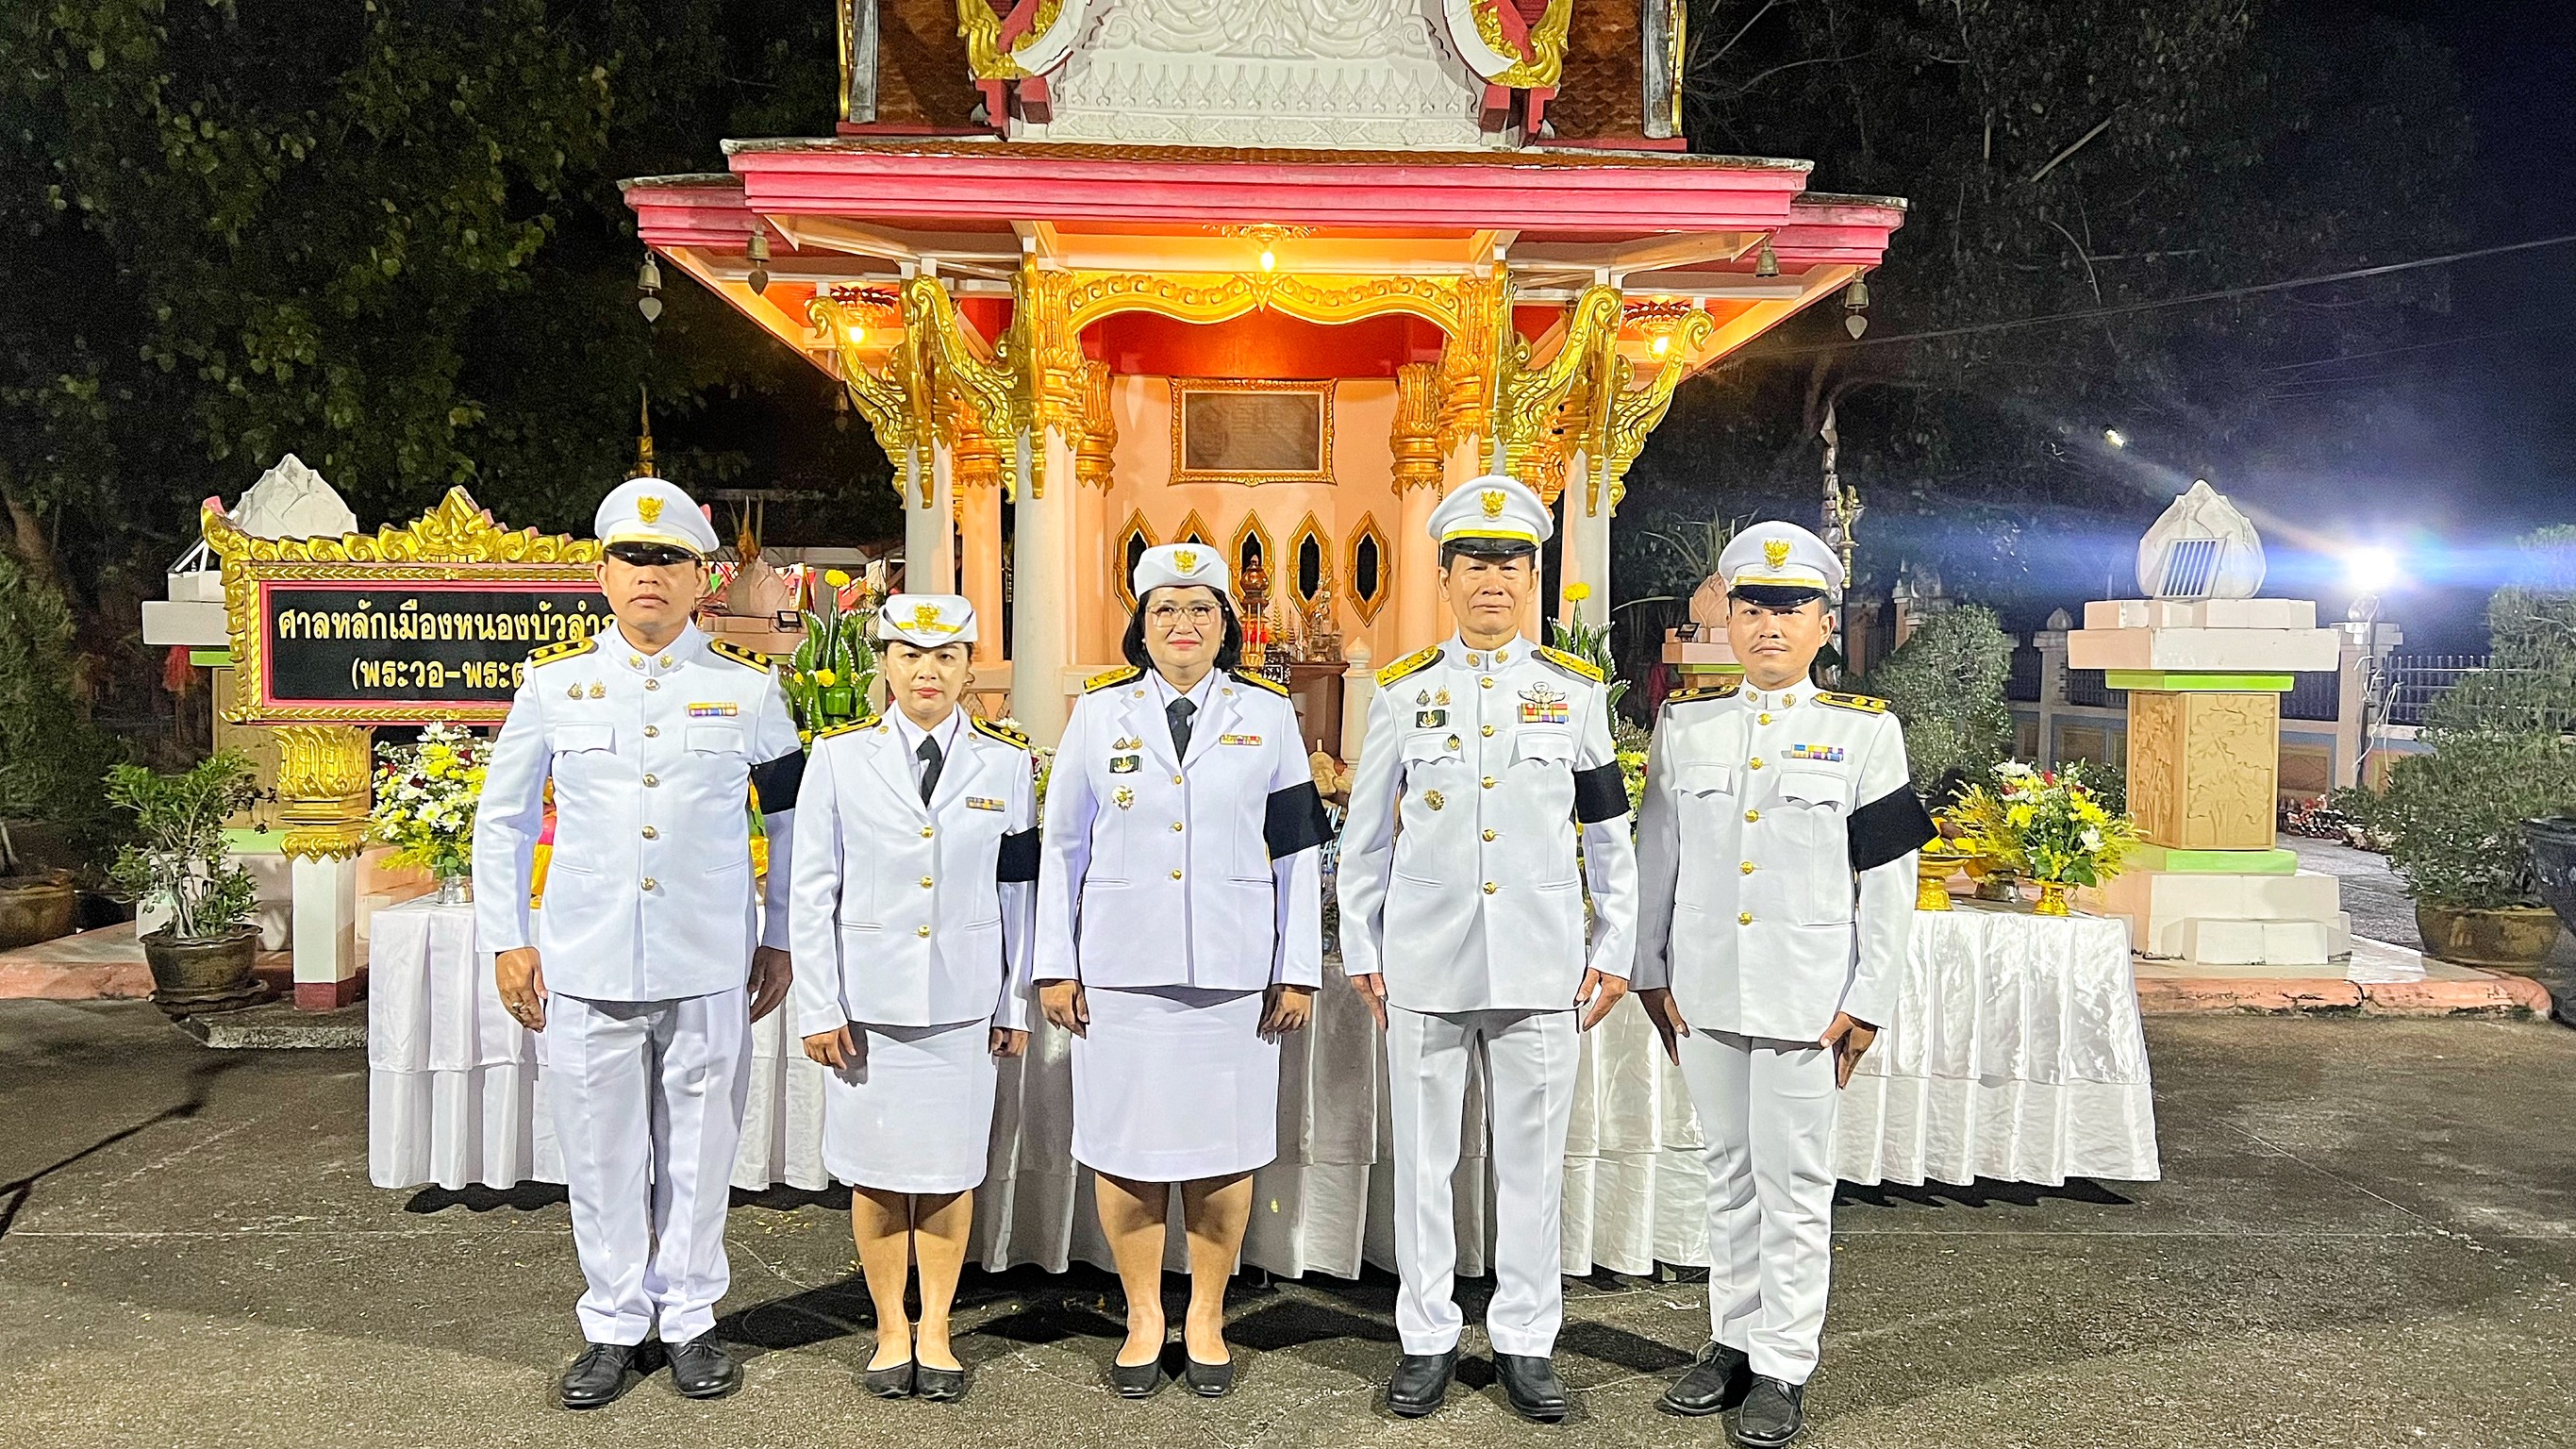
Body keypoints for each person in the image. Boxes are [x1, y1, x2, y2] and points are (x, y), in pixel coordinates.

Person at [474, 476, 805, 1408]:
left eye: (669, 559)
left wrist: (777, 934)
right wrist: (507, 937)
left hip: (708, 961)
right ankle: (615, 1324)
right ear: (602, 573)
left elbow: (787, 823)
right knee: (602, 1152)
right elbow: (501, 820)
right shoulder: (554, 687)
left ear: (703, 577)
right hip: (586, 959)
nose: (648, 575)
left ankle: (691, 1319)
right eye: (632, 557)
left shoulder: (748, 691)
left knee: (702, 1149)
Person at [1336, 474, 1637, 1423]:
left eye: (1511, 563)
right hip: (1423, 960)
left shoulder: (1573, 694)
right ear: (1446, 576)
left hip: (1540, 959)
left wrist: (1615, 941)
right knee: (1422, 1163)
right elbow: (1367, 837)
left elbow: (1607, 833)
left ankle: (1524, 1341)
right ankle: (1425, 1337)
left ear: (1533, 575)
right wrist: (1362, 945)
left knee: (1530, 1165)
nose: (1493, 580)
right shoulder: (1400, 692)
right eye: (1475, 563)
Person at [1632, 521, 1934, 1447]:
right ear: (1726, 617)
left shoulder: (1864, 734)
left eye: (1790, 607)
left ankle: (1783, 1364)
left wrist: (1870, 996)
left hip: (1808, 997)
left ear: (1822, 622)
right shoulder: (1686, 726)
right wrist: (1650, 973)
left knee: (1793, 1185)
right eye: (1752, 607)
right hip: (1708, 993)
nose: (1769, 624)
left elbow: (1888, 882)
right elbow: (1657, 859)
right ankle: (1730, 1337)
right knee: (1725, 1175)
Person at [1035, 542, 1329, 1400]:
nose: (1183, 625)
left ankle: (1204, 1314)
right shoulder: (1097, 716)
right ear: (1140, 625)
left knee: (1223, 1155)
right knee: (1125, 1153)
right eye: (1164, 609)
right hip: (1122, 969)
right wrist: (1058, 961)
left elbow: (1296, 849)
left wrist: (1296, 967)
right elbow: (1063, 846)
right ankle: (1141, 1316)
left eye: (1201, 609)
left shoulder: (1267, 716)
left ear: (1225, 625)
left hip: (1233, 971)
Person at [789, 594, 1038, 1404]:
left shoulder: (1006, 764)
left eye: (944, 657)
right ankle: (889, 1327)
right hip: (869, 1006)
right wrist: (820, 1004)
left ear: (970, 668)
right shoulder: (836, 757)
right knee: (876, 1174)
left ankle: (936, 1327)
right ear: (884, 664)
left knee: (947, 1173)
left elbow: (1017, 898)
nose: (926, 673)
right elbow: (812, 890)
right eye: (908, 656)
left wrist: (1012, 1003)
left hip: (963, 1003)